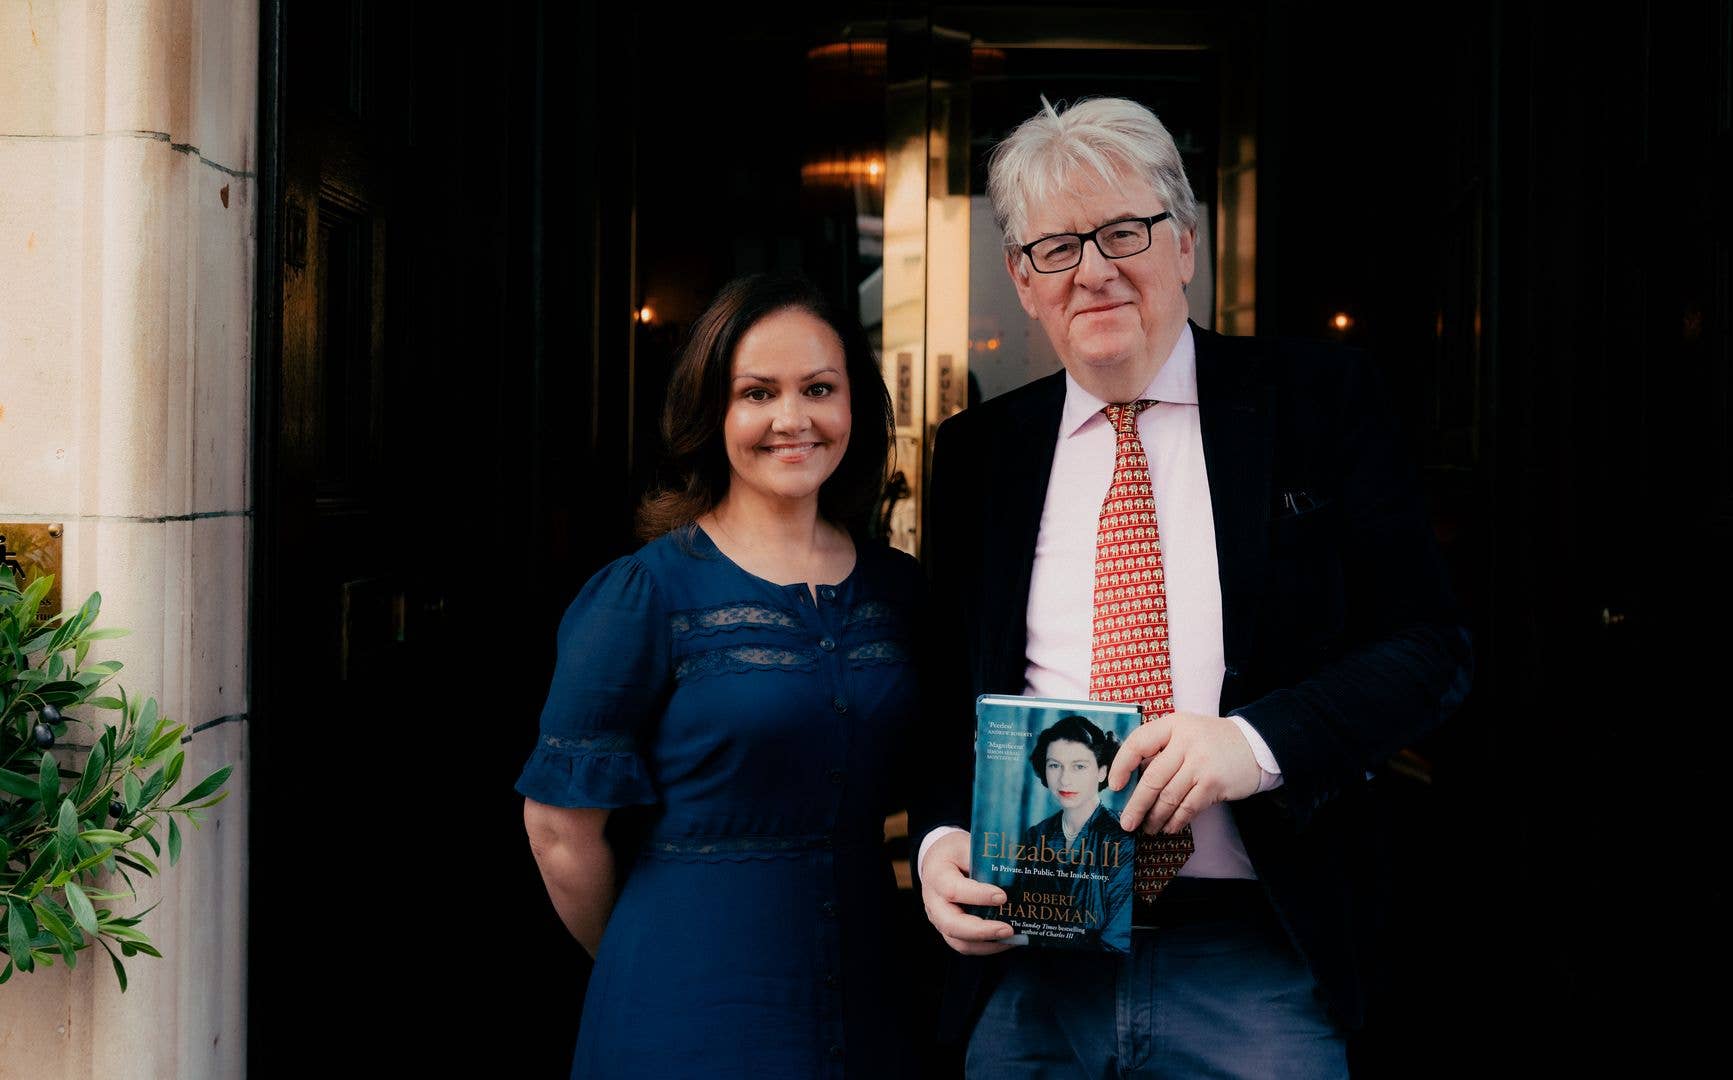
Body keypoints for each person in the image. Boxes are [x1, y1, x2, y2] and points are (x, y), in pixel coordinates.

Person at [911, 97, 1472, 1078]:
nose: (1093, 269)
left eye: (1123, 232)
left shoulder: (1317, 402)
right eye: (1056, 247)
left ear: (1185, 244)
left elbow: (1430, 647)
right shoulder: (975, 457)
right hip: (1035, 958)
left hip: (1257, 956)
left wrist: (1252, 744)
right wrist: (939, 845)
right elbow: (934, 694)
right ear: (1022, 278)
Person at [518, 273, 918, 1079]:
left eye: (819, 389)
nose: (792, 419)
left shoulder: (900, 589)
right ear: (714, 413)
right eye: (757, 393)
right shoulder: (645, 593)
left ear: (853, 406)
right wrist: (650, 954)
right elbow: (561, 831)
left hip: (877, 994)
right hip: (689, 1004)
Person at [1017, 715, 1132, 953]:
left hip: (1104, 971)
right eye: (1054, 765)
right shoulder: (1035, 836)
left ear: (1102, 771)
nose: (1064, 779)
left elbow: (1117, 938)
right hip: (1034, 965)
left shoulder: (1121, 836)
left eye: (1079, 766)